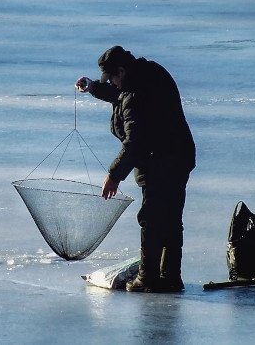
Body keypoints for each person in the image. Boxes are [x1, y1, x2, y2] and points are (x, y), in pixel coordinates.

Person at [76, 46, 195, 292]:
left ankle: (148, 278)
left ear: (121, 70)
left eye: (113, 78)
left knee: (152, 219)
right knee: (171, 218)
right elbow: (121, 93)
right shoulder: (147, 74)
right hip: (179, 156)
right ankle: (170, 277)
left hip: (161, 161)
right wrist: (93, 87)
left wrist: (113, 175)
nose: (113, 84)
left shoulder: (135, 93)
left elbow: (135, 142)